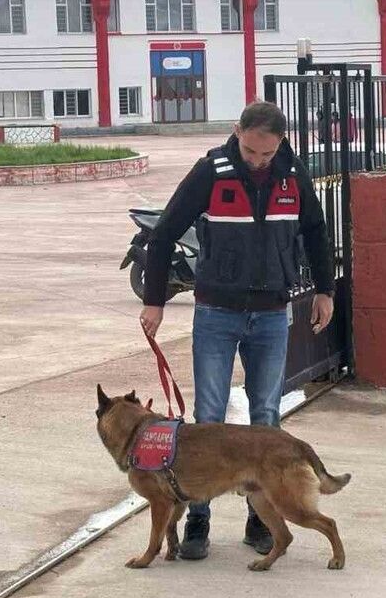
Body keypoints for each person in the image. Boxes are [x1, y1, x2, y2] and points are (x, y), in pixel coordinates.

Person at [140, 100, 336, 561]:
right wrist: (154, 300)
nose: (258, 161)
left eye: (267, 153)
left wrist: (325, 290)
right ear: (236, 132)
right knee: (208, 419)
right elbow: (164, 233)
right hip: (217, 313)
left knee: (266, 416)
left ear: (281, 142)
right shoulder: (211, 171)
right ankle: (198, 520)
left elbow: (316, 232)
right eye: (250, 151)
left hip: (272, 314)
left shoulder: (293, 175)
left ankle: (260, 520)